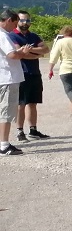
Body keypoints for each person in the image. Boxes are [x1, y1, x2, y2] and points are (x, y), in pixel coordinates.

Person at [8, 10, 50, 141]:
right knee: (21, 104)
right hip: (21, 74)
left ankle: (33, 130)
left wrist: (30, 50)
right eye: (22, 20)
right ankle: (20, 131)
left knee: (33, 103)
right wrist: (37, 54)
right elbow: (19, 53)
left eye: (27, 20)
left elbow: (46, 49)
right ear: (17, 21)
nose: (25, 23)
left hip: (34, 73)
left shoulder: (34, 36)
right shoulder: (12, 36)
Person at [0, 9, 33, 155]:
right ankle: (4, 145)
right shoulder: (3, 35)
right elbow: (12, 55)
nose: (15, 27)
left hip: (4, 78)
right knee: (5, 112)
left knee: (4, 111)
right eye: (15, 23)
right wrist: (23, 53)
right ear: (9, 20)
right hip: (7, 78)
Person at [47, 25, 72, 118]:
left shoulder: (60, 42)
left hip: (66, 69)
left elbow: (54, 57)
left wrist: (50, 69)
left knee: (69, 90)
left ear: (63, 33)